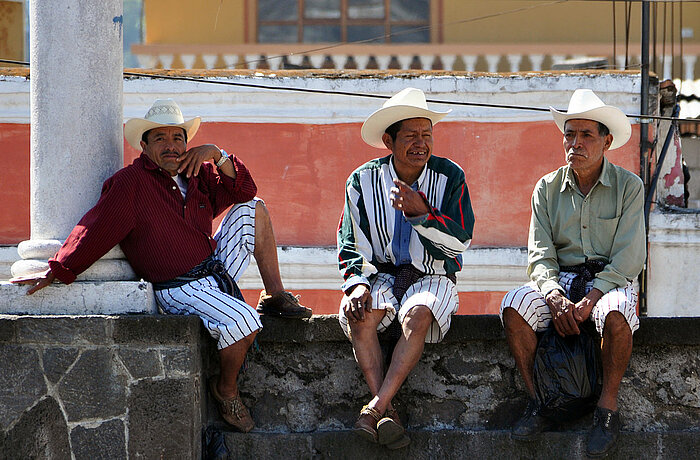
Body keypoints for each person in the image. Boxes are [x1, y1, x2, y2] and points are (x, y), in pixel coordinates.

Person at [10, 98, 312, 432]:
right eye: (160, 139)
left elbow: (244, 189)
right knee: (244, 320)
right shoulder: (130, 183)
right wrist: (58, 269)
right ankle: (225, 389)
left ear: (187, 143)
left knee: (253, 208)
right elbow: (95, 228)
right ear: (144, 145)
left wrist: (218, 154)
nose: (171, 146)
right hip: (177, 286)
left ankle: (274, 294)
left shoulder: (197, 173)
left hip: (213, 268)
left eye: (177, 138)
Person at [500, 89, 645, 457]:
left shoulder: (629, 186)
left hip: (606, 281)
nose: (575, 143)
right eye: (569, 134)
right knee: (514, 306)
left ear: (606, 141)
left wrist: (591, 298)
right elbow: (540, 255)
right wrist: (553, 297)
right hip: (561, 281)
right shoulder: (546, 189)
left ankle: (606, 411)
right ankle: (540, 403)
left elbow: (629, 258)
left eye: (586, 135)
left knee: (617, 314)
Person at [337, 88, 475, 449]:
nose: (421, 143)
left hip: (433, 274)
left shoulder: (451, 177)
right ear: (389, 140)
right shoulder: (361, 181)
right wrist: (357, 284)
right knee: (361, 315)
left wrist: (421, 214)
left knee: (417, 315)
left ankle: (374, 408)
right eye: (411, 135)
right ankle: (388, 413)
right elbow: (350, 240)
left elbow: (460, 242)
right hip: (380, 274)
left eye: (426, 134)